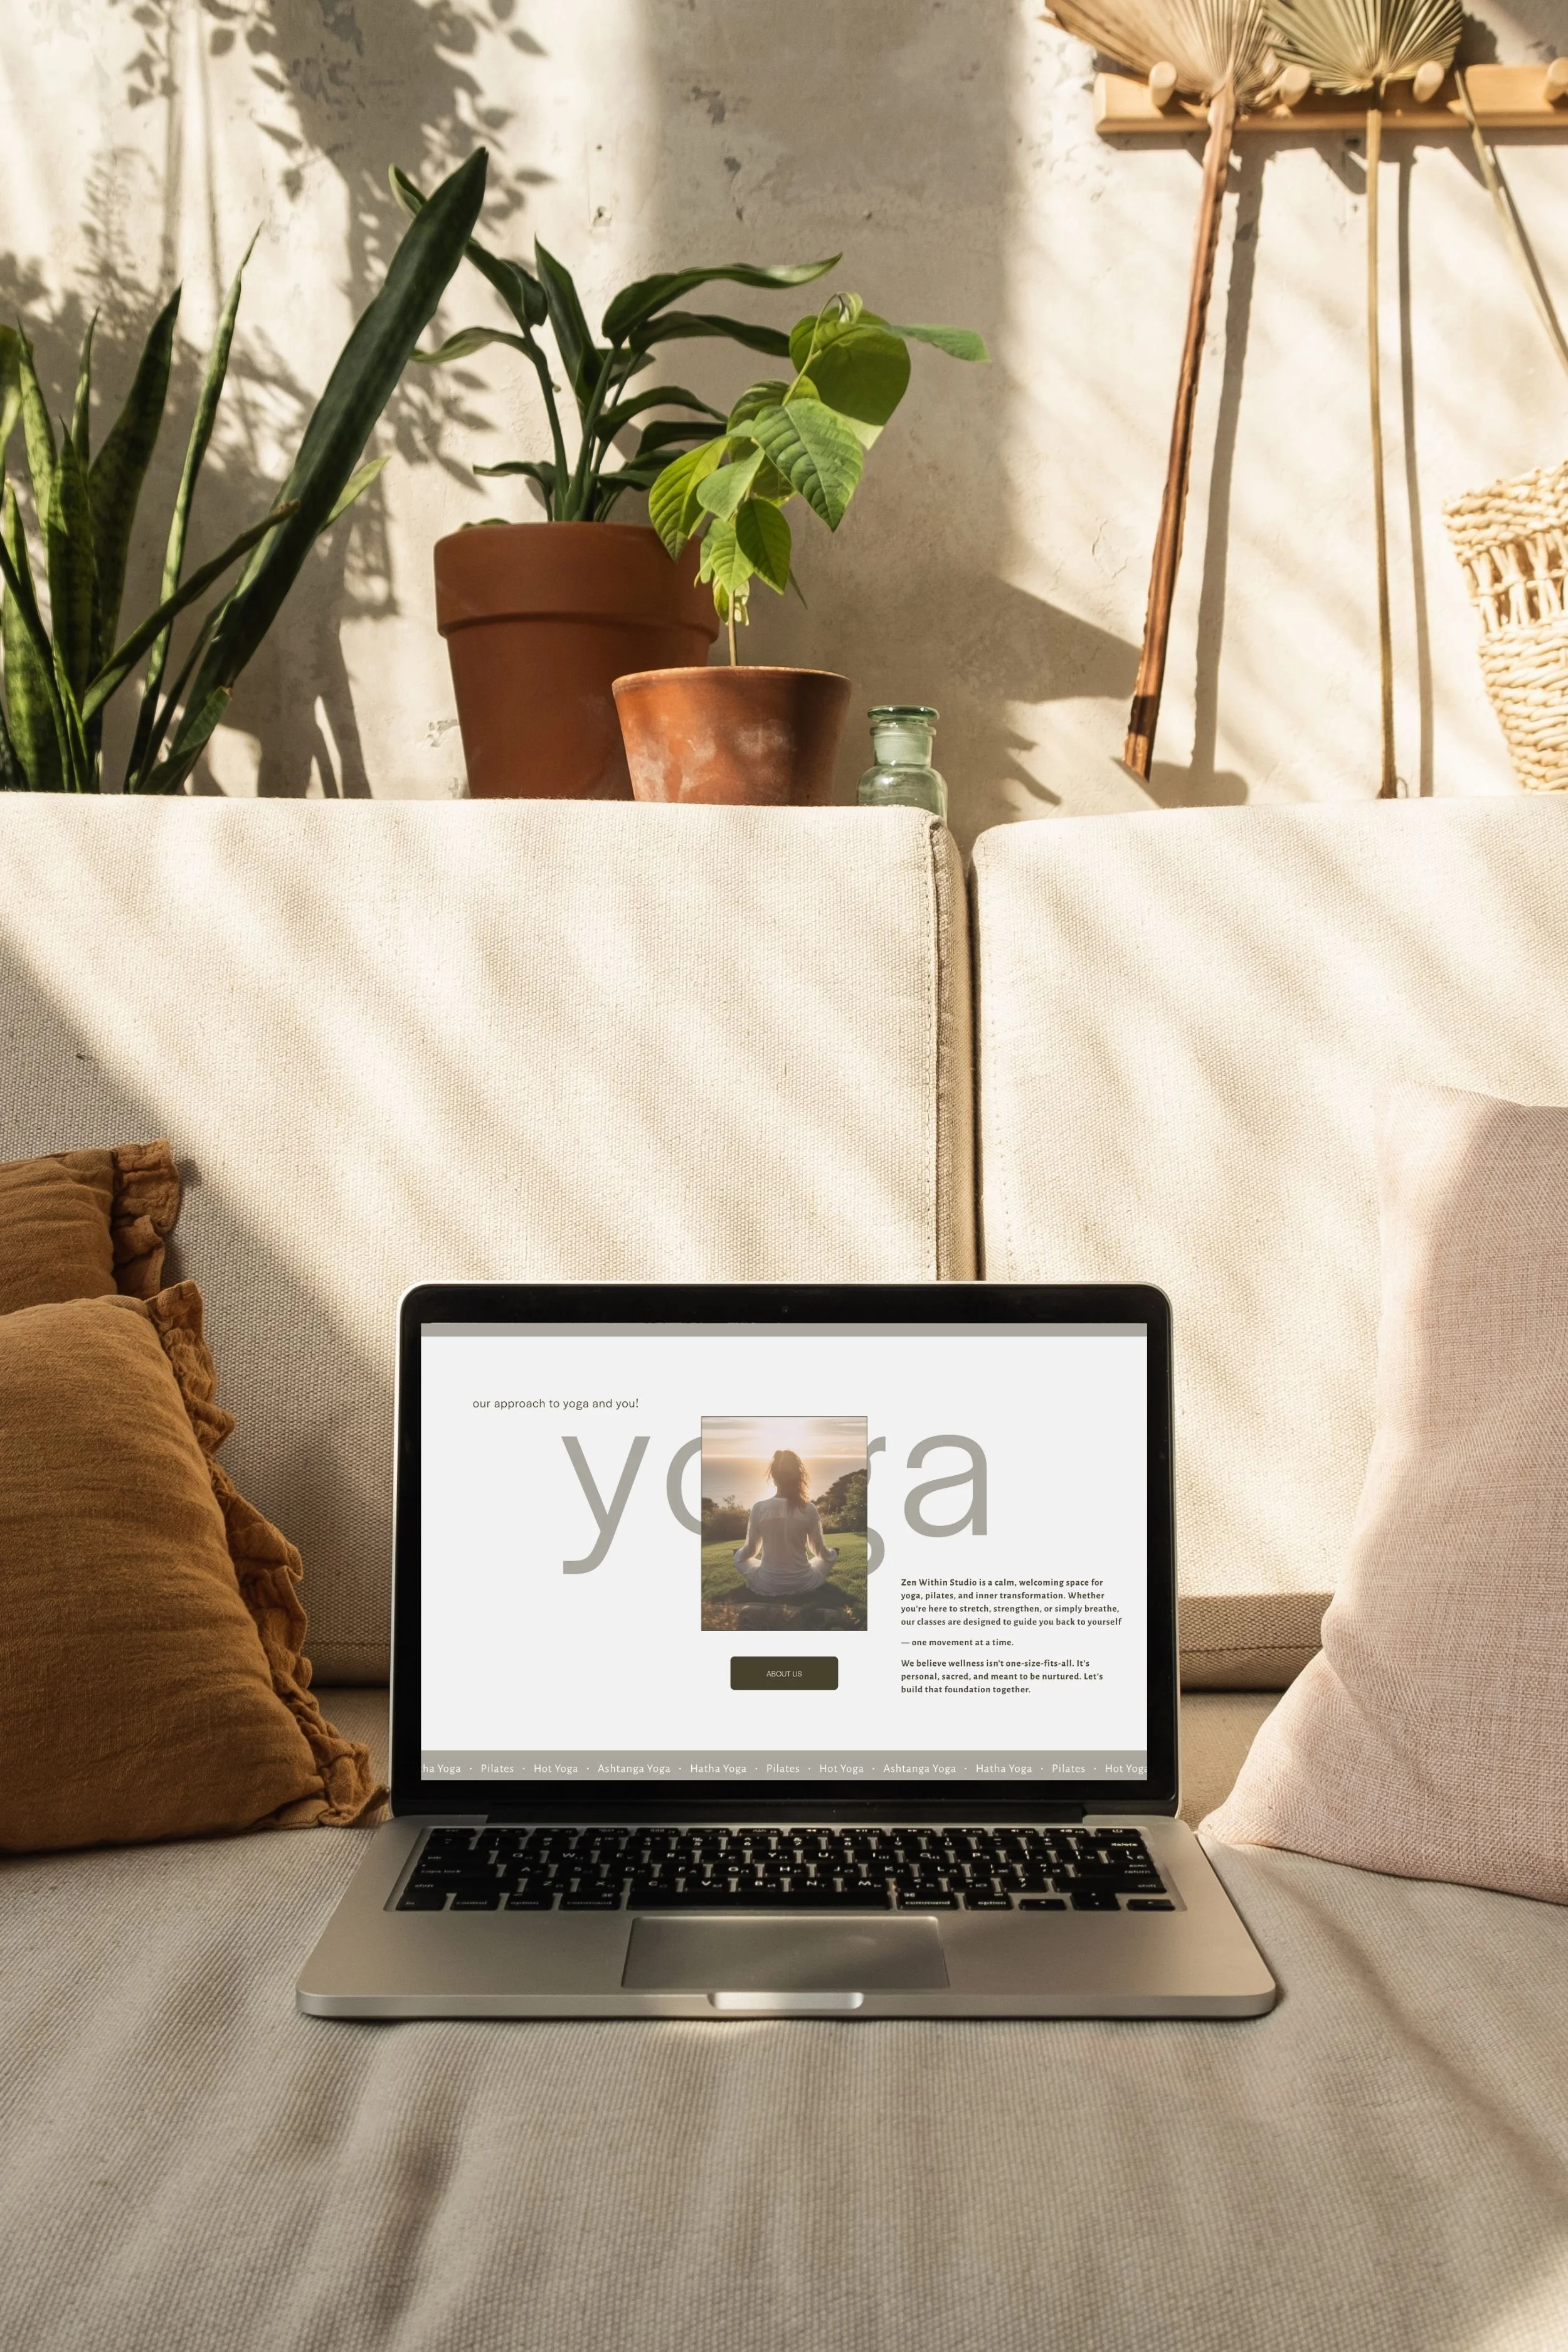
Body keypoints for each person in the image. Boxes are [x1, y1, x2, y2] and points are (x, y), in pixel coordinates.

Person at [733, 1449, 840, 1597]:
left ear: (775, 1479)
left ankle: (745, 1559)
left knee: (741, 1559)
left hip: (768, 1584)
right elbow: (818, 1551)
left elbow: (751, 1552)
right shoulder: (809, 1509)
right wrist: (833, 1553)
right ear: (798, 1478)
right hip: (804, 1583)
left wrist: (738, 1553)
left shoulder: (759, 1508)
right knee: (827, 1559)